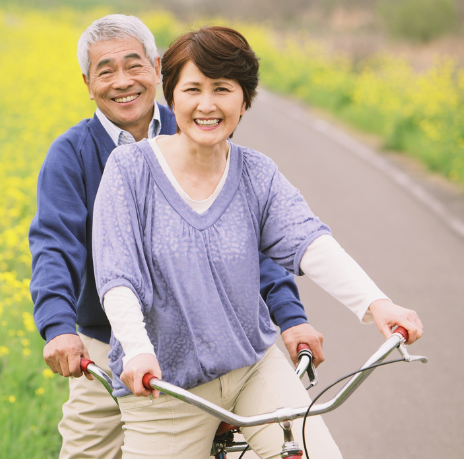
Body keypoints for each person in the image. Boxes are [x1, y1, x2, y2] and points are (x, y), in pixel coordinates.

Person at [91, 26, 424, 458]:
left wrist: (377, 304)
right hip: (165, 385)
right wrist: (136, 350)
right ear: (170, 95)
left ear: (244, 101)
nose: (206, 105)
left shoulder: (257, 173)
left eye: (223, 89)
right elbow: (117, 276)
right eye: (192, 89)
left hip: (252, 367)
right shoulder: (129, 169)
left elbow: (309, 241)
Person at [29, 15, 328, 459]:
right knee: (86, 452)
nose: (122, 81)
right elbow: (55, 245)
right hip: (110, 346)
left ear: (156, 68)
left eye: (134, 66)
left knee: (289, 441)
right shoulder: (72, 154)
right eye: (105, 71)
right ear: (88, 84)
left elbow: (250, 233)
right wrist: (57, 328)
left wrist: (290, 314)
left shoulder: (195, 123)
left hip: (213, 342)